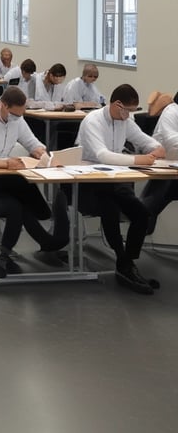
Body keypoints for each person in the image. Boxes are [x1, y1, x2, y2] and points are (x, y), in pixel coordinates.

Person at [0, 86, 69, 277]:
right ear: (3, 105)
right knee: (15, 208)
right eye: (14, 114)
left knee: (27, 203)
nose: (17, 118)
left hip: (5, 179)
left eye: (20, 115)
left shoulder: (17, 118)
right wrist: (6, 163)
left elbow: (33, 144)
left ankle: (40, 245)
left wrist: (47, 158)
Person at [76, 84, 165, 294]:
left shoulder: (126, 119)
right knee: (110, 211)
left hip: (114, 179)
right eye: (129, 110)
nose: (131, 116)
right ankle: (124, 263)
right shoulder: (93, 121)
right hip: (89, 181)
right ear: (118, 105)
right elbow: (103, 155)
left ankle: (127, 262)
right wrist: (138, 158)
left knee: (142, 214)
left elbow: (145, 141)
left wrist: (156, 148)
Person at [142, 98, 178, 234]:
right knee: (153, 203)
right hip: (165, 164)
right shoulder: (172, 112)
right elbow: (172, 142)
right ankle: (144, 221)